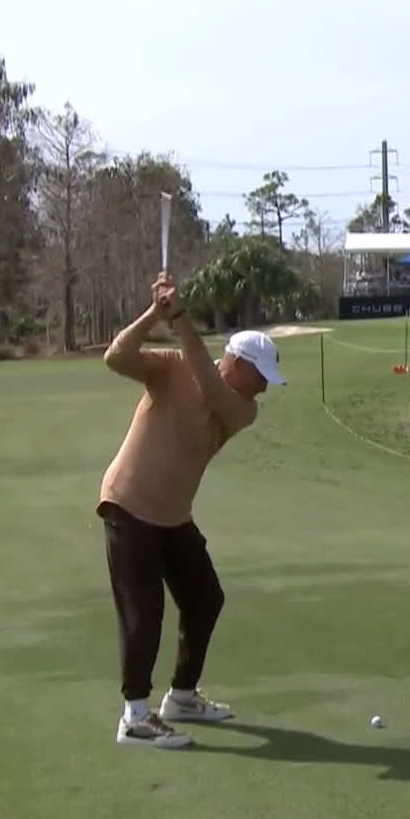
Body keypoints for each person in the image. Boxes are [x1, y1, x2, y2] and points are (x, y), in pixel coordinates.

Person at [97, 272, 286, 749]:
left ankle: (181, 697)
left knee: (205, 598)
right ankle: (135, 718)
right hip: (129, 504)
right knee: (144, 613)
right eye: (261, 376)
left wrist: (180, 320)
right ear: (238, 363)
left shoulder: (239, 408)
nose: (264, 388)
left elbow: (209, 386)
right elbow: (116, 356)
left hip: (172, 516)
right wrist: (155, 316)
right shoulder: (170, 367)